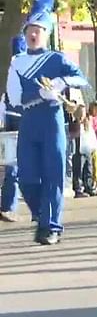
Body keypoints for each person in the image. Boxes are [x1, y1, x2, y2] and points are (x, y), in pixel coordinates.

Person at [6, 0, 89, 245]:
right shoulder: (17, 62)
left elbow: (81, 79)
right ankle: (42, 213)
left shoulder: (56, 58)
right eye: (30, 29)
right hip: (30, 119)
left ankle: (50, 226)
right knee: (27, 177)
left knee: (54, 172)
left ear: (46, 33)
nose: (33, 33)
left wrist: (60, 83)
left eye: (38, 29)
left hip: (52, 118)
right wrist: (37, 93)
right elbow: (15, 97)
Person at [0, 34, 26, 223]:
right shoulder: (25, 64)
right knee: (20, 163)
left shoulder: (10, 66)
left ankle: (7, 205)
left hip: (8, 117)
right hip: (22, 117)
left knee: (11, 162)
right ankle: (9, 206)